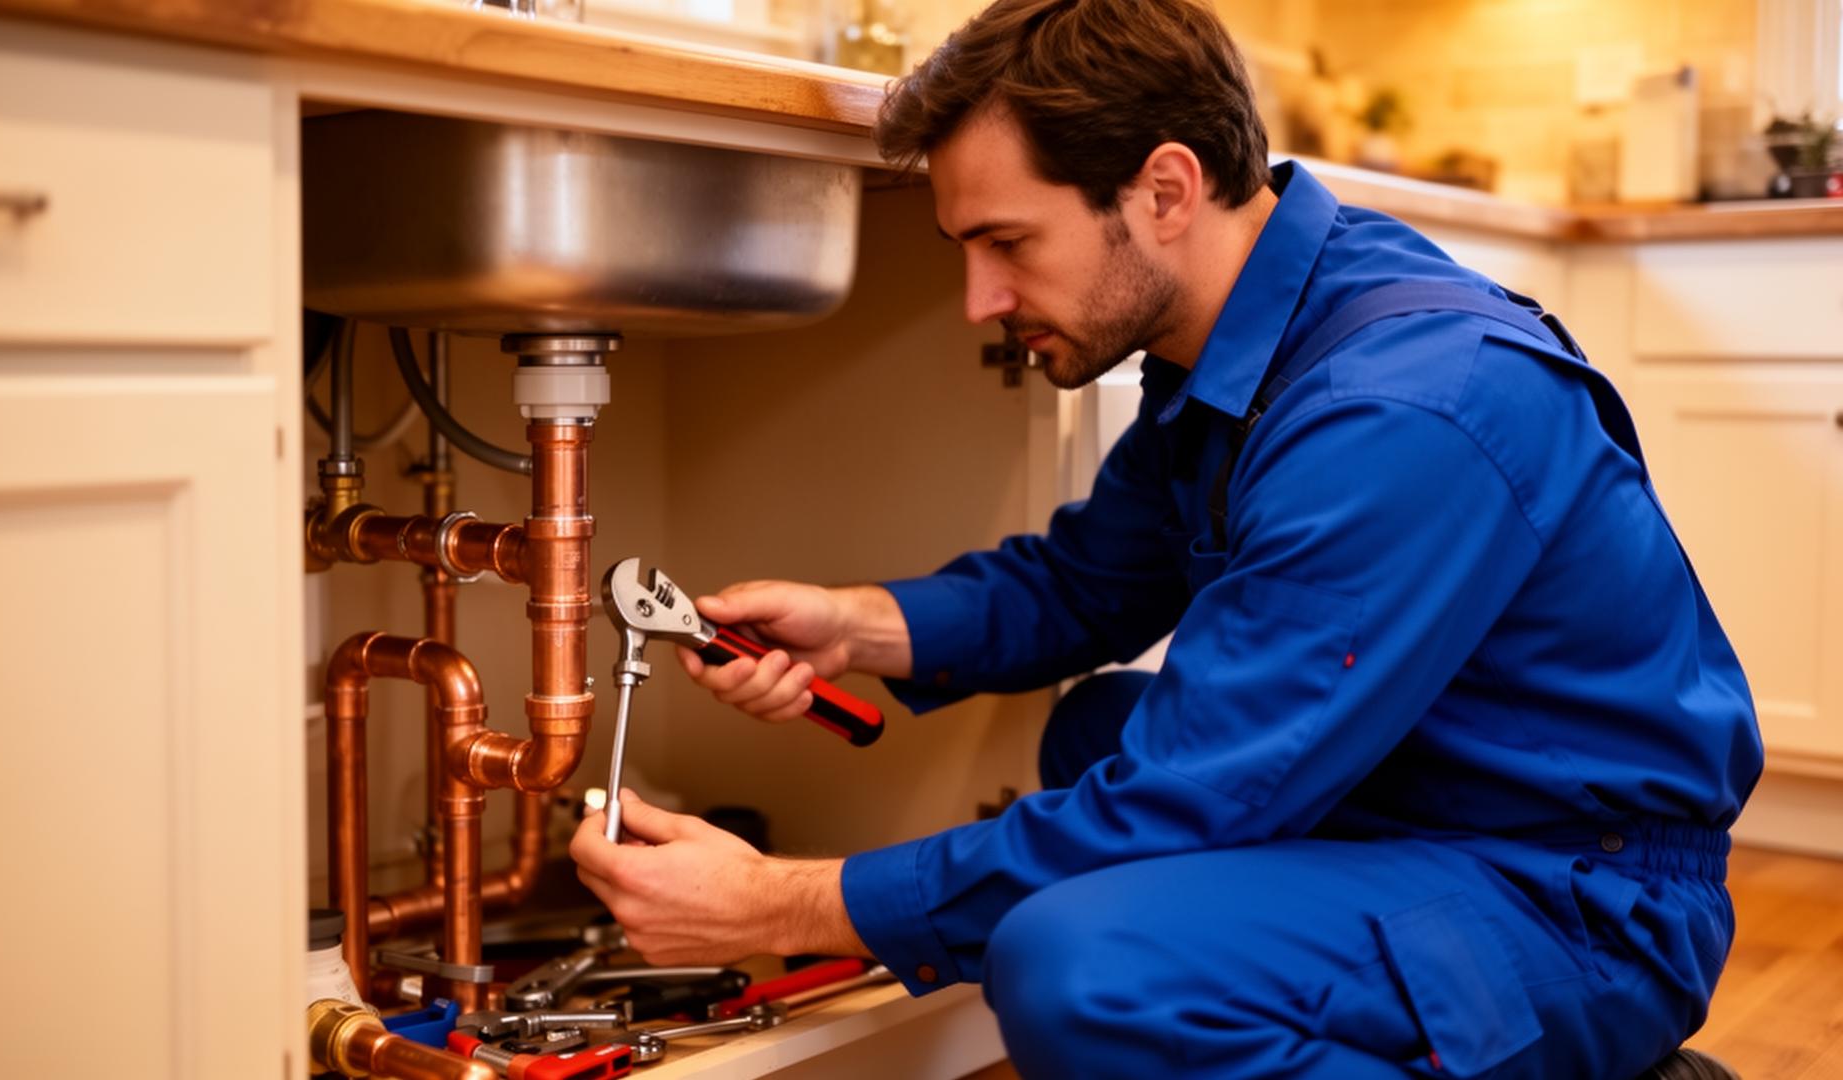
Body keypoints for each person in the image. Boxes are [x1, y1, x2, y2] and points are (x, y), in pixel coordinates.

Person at [569, 1, 1762, 1076]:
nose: (979, 301)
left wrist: (788, 905)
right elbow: (1089, 585)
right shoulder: (1247, 339)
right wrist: (855, 626)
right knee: (1091, 735)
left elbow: (1191, 804)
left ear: (1165, 192)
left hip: (1574, 893)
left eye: (1009, 242)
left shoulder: (1399, 408)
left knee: (1079, 967)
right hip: (1427, 798)